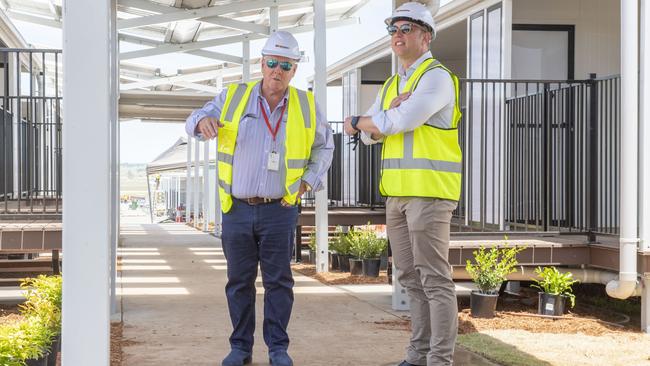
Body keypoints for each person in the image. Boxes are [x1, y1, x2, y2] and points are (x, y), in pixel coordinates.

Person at [185, 31, 333, 366]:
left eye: (286, 65)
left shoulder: (307, 105)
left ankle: (278, 349)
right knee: (239, 282)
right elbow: (192, 119)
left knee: (279, 281)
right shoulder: (234, 96)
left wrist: (308, 181)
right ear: (261, 63)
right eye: (272, 63)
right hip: (236, 209)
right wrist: (202, 121)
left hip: (280, 210)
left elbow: (325, 147)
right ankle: (240, 348)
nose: (277, 70)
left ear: (294, 70)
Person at [343, 2, 462, 365]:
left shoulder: (437, 77)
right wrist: (375, 119)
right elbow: (366, 136)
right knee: (409, 277)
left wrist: (367, 118)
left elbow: (398, 121)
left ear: (426, 37)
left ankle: (439, 360)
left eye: (406, 28)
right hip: (396, 195)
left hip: (429, 193)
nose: (397, 34)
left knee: (435, 280)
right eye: (393, 29)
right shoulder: (393, 83)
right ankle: (417, 356)